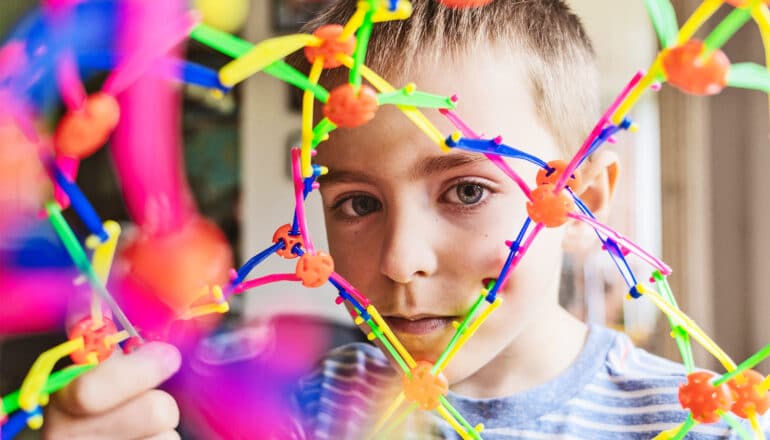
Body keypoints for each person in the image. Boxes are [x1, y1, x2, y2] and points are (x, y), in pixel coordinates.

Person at [42, 0, 768, 439]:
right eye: (356, 203)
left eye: (467, 191)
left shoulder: (697, 423)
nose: (399, 259)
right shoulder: (297, 414)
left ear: (584, 197)